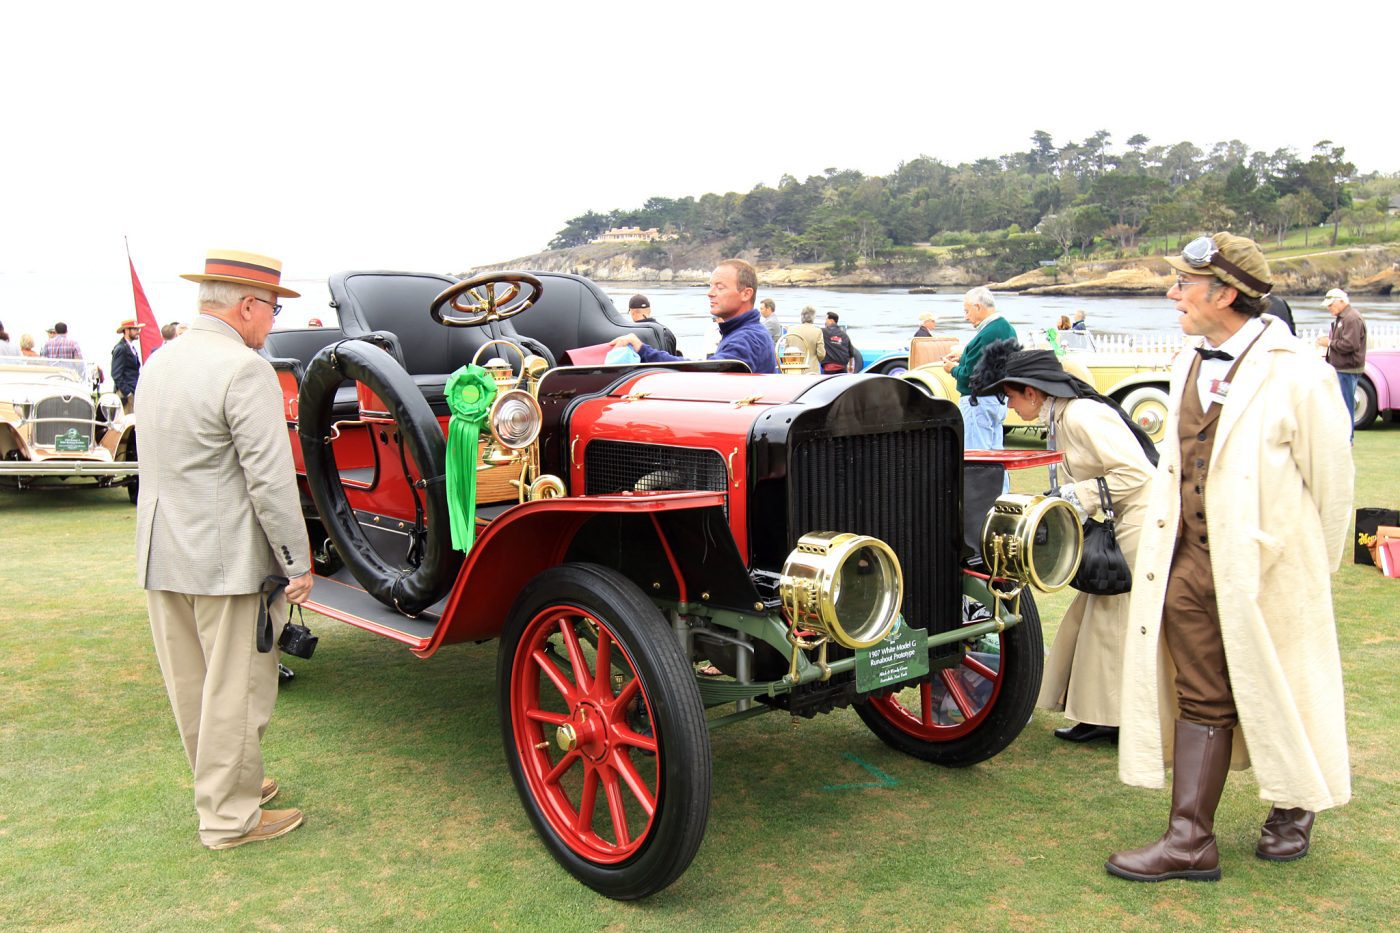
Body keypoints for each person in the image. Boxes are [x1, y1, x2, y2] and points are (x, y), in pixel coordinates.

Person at [1108, 232, 1353, 883]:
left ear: (1224, 291)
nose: (1172, 293)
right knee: (1202, 693)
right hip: (1188, 562)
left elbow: (1333, 486)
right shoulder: (1186, 358)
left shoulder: (1301, 370)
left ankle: (1295, 803)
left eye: (1183, 283)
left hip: (1271, 570)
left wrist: (1303, 572)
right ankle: (1190, 839)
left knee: (1287, 685)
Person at [137, 248, 313, 851]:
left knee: (194, 686)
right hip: (226, 558)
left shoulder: (161, 360)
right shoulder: (244, 369)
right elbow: (269, 478)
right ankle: (229, 818)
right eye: (271, 310)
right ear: (246, 306)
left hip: (163, 551)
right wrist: (297, 560)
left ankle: (230, 787)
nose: (272, 324)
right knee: (236, 689)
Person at [972, 341, 1157, 746]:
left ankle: (1113, 720)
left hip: (1141, 521)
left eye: (1011, 396)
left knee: (1111, 622)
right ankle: (1102, 714)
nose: (1010, 407)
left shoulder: (1081, 416)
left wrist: (1078, 496)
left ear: (1032, 392)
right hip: (1123, 519)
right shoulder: (1063, 416)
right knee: (1097, 618)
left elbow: (1140, 474)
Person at [610, 260, 777, 373]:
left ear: (746, 294)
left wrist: (643, 350)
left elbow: (703, 374)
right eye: (710, 286)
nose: (710, 293)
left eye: (719, 287)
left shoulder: (748, 339)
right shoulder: (744, 333)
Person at [942, 286, 1016, 450]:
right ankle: (1000, 477)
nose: (966, 317)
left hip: (978, 401)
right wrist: (964, 358)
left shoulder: (987, 333)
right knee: (996, 453)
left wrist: (952, 369)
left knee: (976, 454)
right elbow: (993, 363)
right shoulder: (1007, 329)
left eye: (967, 311)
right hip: (998, 398)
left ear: (978, 307)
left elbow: (971, 376)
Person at [1316, 287, 1366, 442]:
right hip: (1342, 368)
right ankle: (1343, 437)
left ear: (1342, 302)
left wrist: (1329, 343)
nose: (1329, 308)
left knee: (1345, 405)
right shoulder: (1344, 318)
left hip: (1347, 369)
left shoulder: (1351, 318)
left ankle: (1347, 438)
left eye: (1331, 305)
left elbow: (1350, 345)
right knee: (1340, 404)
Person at [111, 319, 145, 413]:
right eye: (135, 329)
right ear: (126, 330)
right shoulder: (121, 348)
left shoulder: (129, 346)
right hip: (125, 394)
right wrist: (128, 393)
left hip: (132, 391)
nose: (138, 332)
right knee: (128, 423)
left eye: (138, 329)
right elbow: (116, 374)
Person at [786, 306, 826, 374]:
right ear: (813, 317)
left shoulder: (790, 329)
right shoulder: (817, 331)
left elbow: (786, 351)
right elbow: (821, 354)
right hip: (811, 371)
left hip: (793, 370)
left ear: (801, 316)